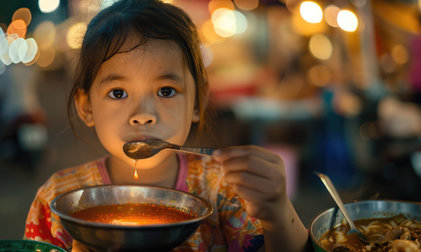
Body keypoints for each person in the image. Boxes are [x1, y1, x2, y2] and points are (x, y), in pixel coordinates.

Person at [23, 0, 309, 251]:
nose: (143, 115)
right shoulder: (58, 203)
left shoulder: (226, 188)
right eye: (118, 93)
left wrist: (278, 212)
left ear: (198, 102)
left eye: (166, 91)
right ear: (86, 107)